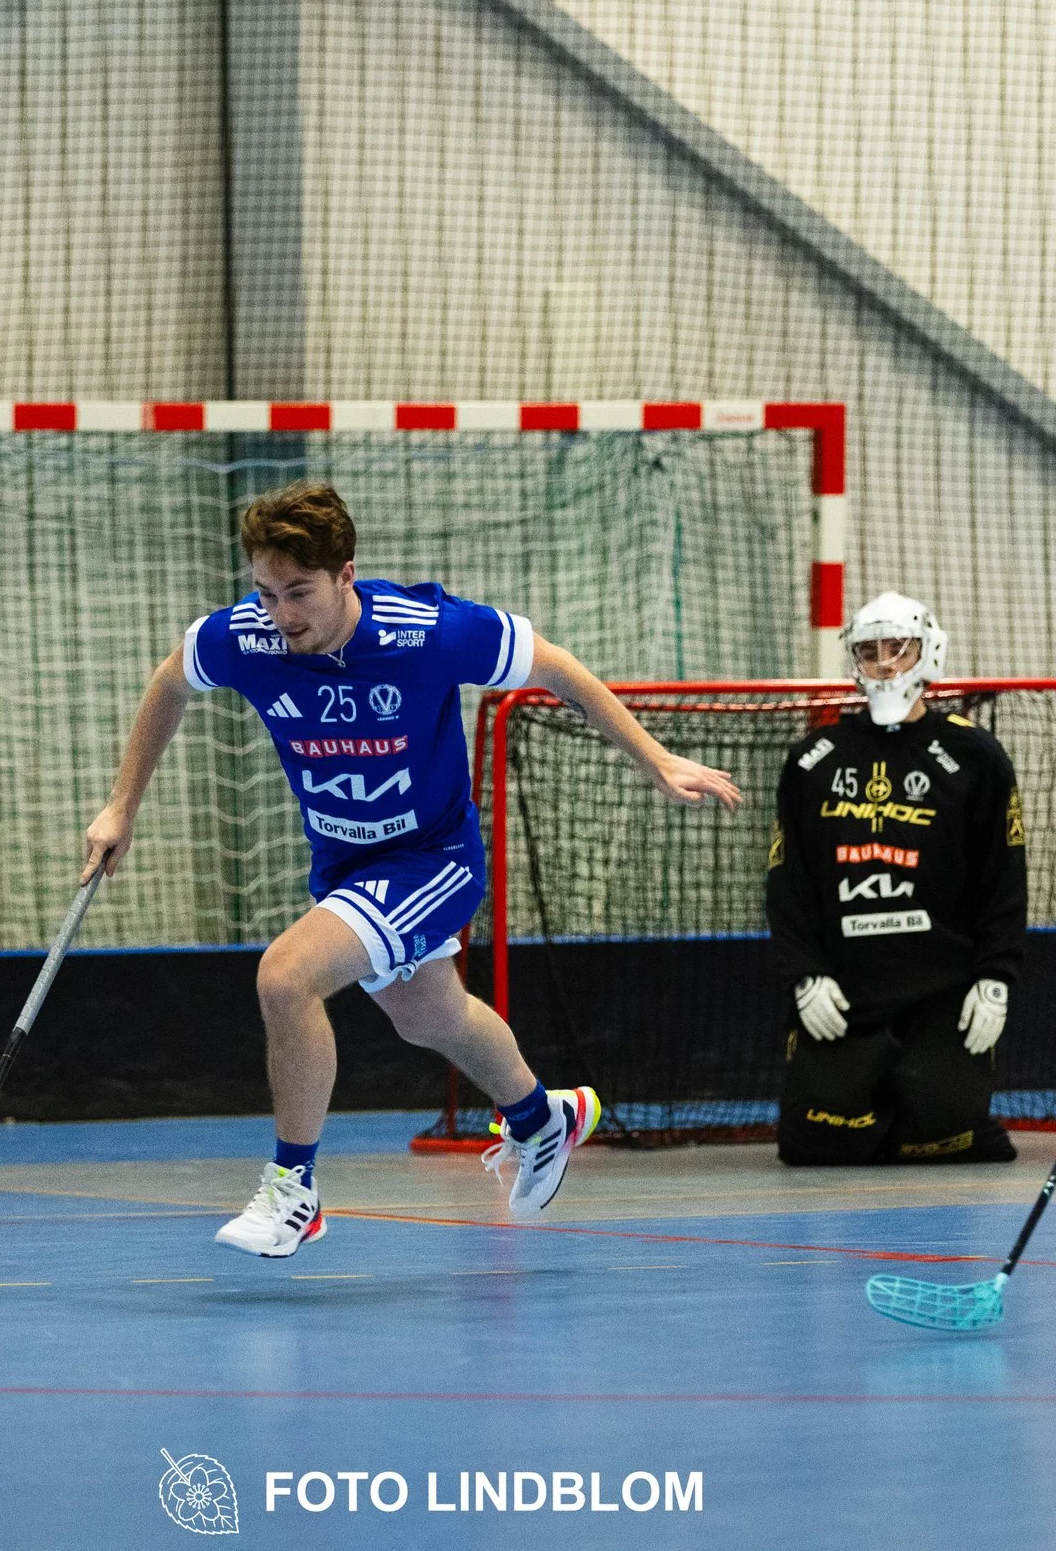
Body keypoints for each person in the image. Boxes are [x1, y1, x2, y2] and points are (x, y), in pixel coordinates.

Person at [82, 482, 742, 1256]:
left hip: (431, 859)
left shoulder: (426, 631)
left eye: (299, 591)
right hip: (344, 863)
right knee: (427, 1015)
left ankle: (294, 1189)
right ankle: (540, 1117)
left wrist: (656, 758)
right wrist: (122, 805)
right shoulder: (247, 638)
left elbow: (556, 667)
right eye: (265, 591)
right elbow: (171, 679)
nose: (281, 612)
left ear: (345, 574)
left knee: (284, 978)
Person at [766, 591, 1025, 1165]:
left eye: (898, 649)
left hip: (943, 989)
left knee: (953, 1131)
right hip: (846, 988)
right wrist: (805, 976)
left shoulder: (975, 756)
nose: (884, 664)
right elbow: (788, 884)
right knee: (815, 1142)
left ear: (927, 654)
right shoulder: (815, 759)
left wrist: (996, 978)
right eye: (869, 651)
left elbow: (1004, 878)